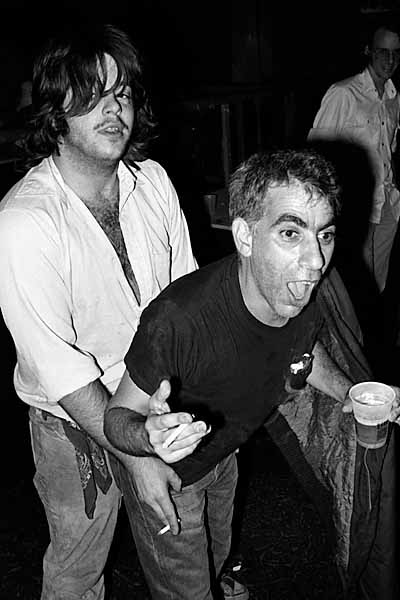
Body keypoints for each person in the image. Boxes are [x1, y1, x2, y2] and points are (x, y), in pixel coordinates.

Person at [0, 23, 211, 599]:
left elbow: (186, 298)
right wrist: (133, 451)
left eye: (122, 94)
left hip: (156, 396)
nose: (114, 110)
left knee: (186, 541)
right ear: (55, 111)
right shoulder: (25, 220)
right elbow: (59, 370)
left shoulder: (154, 182)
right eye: (93, 95)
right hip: (73, 422)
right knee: (78, 568)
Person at [104, 148, 367, 599]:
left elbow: (303, 349)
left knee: (218, 550)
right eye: (291, 233)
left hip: (225, 453)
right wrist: (147, 438)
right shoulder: (178, 320)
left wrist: (350, 392)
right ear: (245, 236)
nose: (315, 261)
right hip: (171, 474)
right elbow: (115, 418)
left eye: (324, 235)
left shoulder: (300, 291)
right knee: (185, 588)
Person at [308, 22, 400, 295]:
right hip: (354, 207)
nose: (390, 59)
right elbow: (315, 152)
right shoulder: (344, 93)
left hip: (387, 205)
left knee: (376, 284)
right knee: (351, 287)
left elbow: (389, 150)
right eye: (383, 51)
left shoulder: (394, 97)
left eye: (396, 53)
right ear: (369, 51)